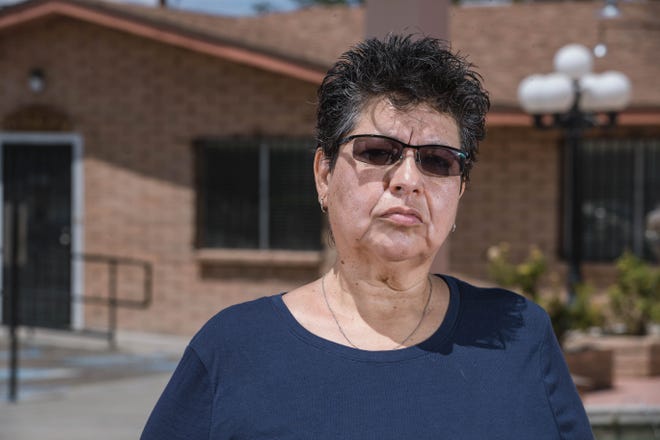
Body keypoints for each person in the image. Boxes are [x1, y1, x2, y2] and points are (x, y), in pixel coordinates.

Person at [141, 34, 593, 439]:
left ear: (459, 191)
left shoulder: (520, 334)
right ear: (324, 174)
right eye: (378, 151)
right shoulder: (234, 347)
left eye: (438, 160)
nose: (408, 180)